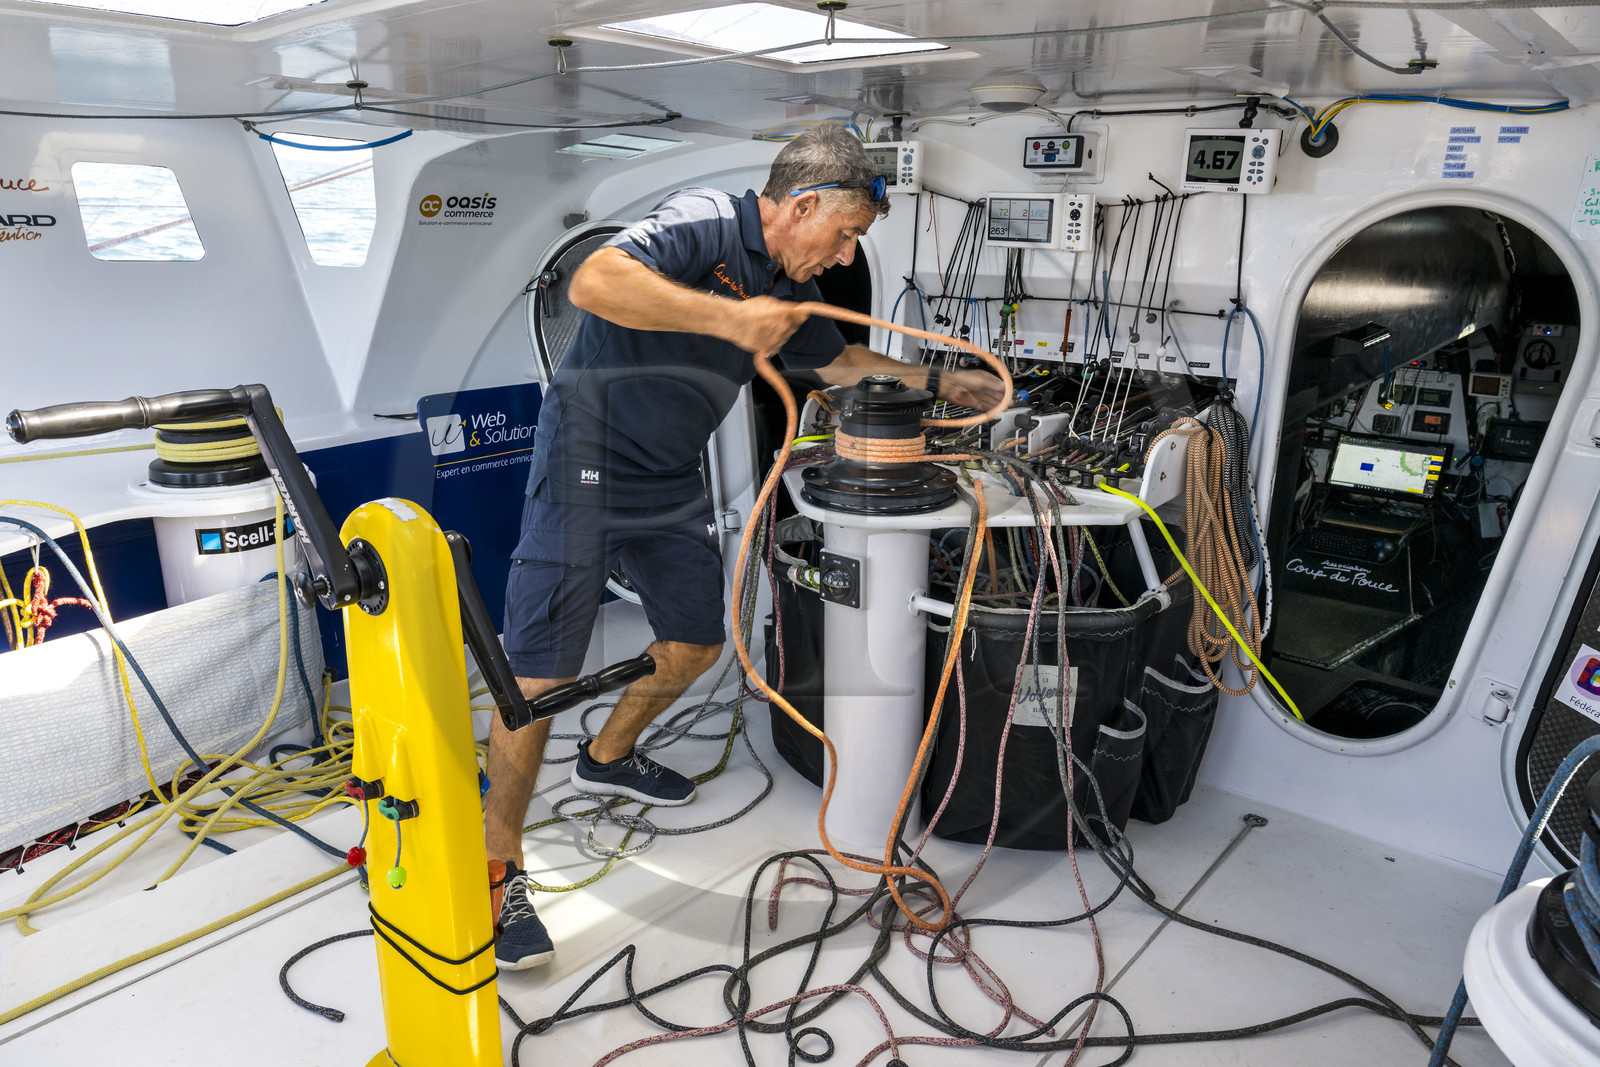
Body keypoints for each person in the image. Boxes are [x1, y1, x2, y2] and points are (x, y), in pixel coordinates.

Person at [486, 124, 1007, 969]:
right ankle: (496, 864)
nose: (845, 256)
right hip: (586, 458)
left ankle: (606, 756)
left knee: (696, 639)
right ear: (800, 205)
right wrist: (731, 317)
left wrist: (942, 381)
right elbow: (594, 279)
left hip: (666, 473)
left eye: (857, 243)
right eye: (843, 233)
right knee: (540, 675)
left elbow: (838, 361)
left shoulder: (787, 282)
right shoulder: (704, 220)